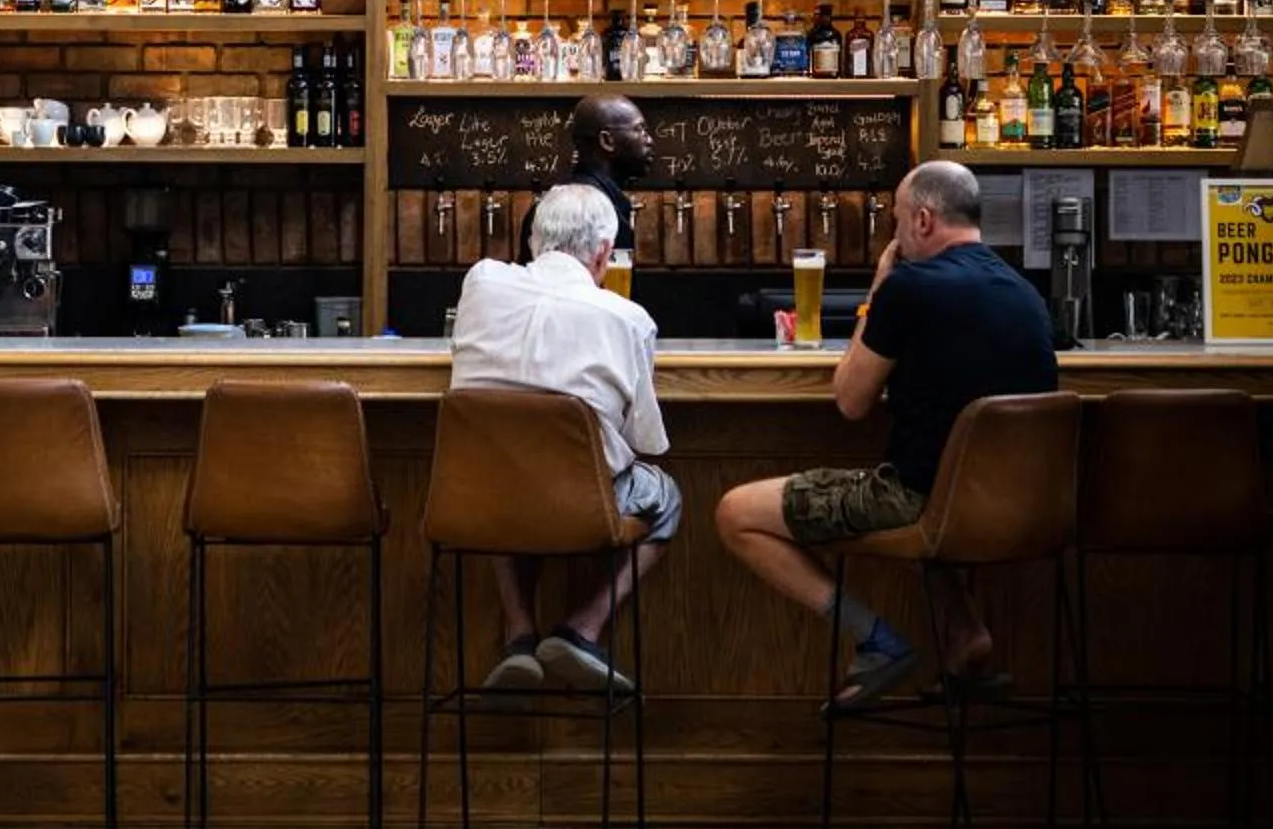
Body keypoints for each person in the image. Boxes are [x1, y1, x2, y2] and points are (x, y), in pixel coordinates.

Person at [714, 160, 1057, 706]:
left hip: (920, 502)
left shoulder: (910, 288)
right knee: (940, 498)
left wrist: (878, 290)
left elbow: (850, 401)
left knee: (735, 512)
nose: (894, 236)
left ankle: (878, 641)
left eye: (896, 223)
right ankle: (966, 633)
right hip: (1018, 509)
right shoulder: (1026, 293)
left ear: (922, 221)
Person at [449, 180, 681, 694]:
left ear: (532, 237)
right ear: (604, 253)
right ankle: (581, 630)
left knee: (503, 471)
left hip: (478, 499)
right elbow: (648, 441)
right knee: (665, 495)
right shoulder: (627, 318)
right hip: (581, 504)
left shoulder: (480, 282)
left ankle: (519, 635)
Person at [516, 90, 652, 260]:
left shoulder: (545, 206)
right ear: (607, 141)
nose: (649, 140)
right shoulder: (604, 214)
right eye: (640, 130)